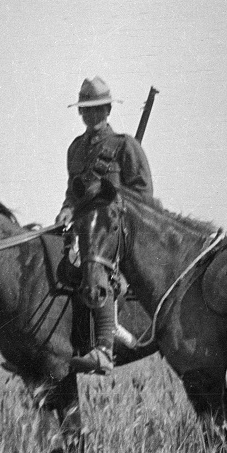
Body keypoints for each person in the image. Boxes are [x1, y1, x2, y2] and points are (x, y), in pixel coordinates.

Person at [55, 77, 153, 375]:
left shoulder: (125, 146)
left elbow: (143, 195)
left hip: (115, 231)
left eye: (97, 109)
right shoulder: (75, 149)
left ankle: (105, 348)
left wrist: (117, 206)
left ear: (108, 110)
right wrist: (65, 211)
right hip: (84, 229)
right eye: (85, 110)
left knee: (98, 271)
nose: (91, 116)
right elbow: (73, 192)